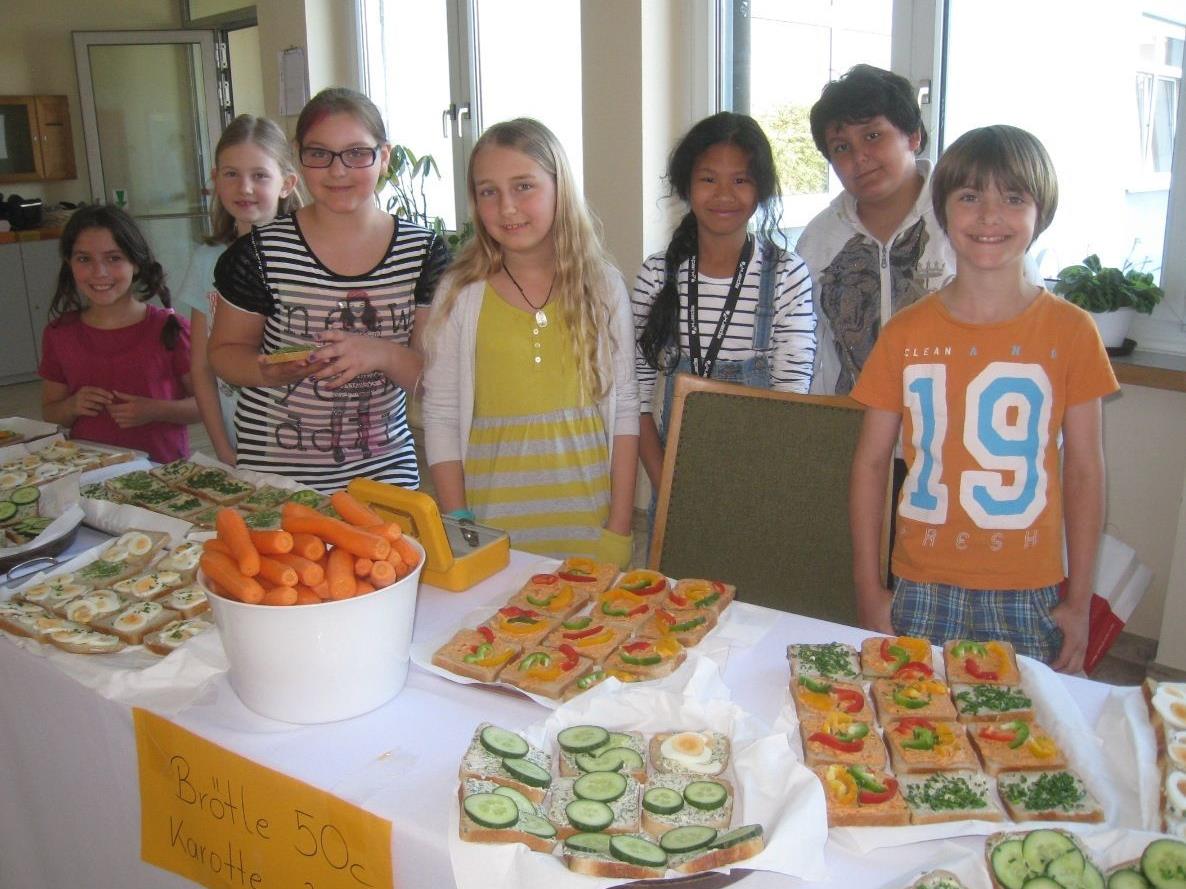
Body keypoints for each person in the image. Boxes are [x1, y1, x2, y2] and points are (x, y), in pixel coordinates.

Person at [848, 124, 1118, 674]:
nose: (990, 215)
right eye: (970, 197)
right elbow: (872, 463)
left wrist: (1080, 598)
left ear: (1040, 213)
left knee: (1017, 740)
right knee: (916, 727)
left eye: (1013, 198)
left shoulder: (1072, 331)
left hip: (1029, 588)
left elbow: (1085, 469)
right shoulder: (905, 332)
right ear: (943, 212)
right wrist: (867, 584)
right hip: (920, 579)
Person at [421, 118, 639, 568]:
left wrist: (619, 526)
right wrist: (459, 520)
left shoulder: (602, 287)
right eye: (488, 191)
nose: (507, 207)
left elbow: (625, 413)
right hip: (492, 530)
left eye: (524, 186)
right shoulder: (460, 293)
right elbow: (441, 415)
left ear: (560, 187)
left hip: (587, 528)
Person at [209, 88, 448, 493]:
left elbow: (436, 380)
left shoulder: (423, 252)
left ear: (384, 157)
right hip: (274, 475)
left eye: (356, 153)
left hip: (384, 474)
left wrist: (380, 353)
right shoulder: (258, 253)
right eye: (320, 153)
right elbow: (224, 355)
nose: (338, 171)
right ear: (299, 157)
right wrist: (267, 368)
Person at [633, 112, 816, 491]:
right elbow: (635, 400)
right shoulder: (657, 276)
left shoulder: (786, 274)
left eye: (740, 180)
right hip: (674, 481)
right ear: (686, 186)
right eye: (708, 179)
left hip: (760, 480)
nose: (723, 194)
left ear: (760, 190)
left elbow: (792, 401)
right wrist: (664, 483)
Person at [797, 64, 955, 396]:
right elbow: (805, 352)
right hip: (848, 434)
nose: (860, 157)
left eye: (873, 135)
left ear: (913, 135)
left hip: (950, 434)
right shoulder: (819, 241)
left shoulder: (963, 221)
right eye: (841, 147)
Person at [173, 114, 300, 465]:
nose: (245, 188)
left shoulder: (307, 257)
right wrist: (223, 448)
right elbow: (200, 366)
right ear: (215, 179)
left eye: (259, 175)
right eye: (231, 174)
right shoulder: (206, 261)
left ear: (286, 183)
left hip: (303, 435)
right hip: (240, 437)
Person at [40, 205, 199, 463]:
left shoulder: (171, 329)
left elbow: (204, 406)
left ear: (136, 263)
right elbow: (51, 411)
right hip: (88, 475)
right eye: (84, 259)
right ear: (69, 264)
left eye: (113, 258)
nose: (99, 272)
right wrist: (71, 406)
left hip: (161, 476)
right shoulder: (59, 334)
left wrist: (155, 410)